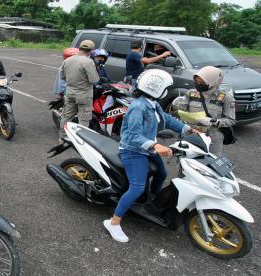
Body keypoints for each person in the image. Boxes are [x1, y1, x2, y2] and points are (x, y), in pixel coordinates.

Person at [102, 69, 198, 243]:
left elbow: (166, 119)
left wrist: (187, 129)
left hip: (147, 149)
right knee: (137, 187)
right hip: (133, 151)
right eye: (166, 88)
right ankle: (114, 222)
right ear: (156, 89)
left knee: (161, 173)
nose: (167, 91)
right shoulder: (138, 107)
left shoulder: (153, 102)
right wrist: (155, 144)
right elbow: (133, 136)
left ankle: (150, 203)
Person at [172, 66, 236, 156]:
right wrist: (175, 106)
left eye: (202, 82)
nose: (198, 84)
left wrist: (214, 121)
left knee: (211, 162)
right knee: (187, 161)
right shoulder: (191, 93)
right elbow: (178, 113)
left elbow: (231, 120)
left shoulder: (226, 97)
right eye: (197, 81)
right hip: (191, 134)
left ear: (213, 82)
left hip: (212, 137)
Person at [58, 40, 99, 140]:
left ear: (79, 48)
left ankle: (62, 137)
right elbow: (94, 80)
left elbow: (62, 77)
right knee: (84, 119)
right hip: (83, 94)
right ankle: (81, 140)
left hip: (70, 92)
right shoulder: (88, 62)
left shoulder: (67, 60)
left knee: (67, 116)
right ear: (90, 50)